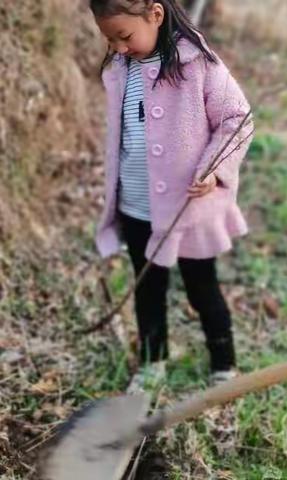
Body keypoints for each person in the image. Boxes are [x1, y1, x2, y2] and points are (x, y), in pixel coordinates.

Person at [89, 0, 253, 392]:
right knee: (148, 287)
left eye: (124, 36)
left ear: (155, 14)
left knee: (202, 286)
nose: (119, 48)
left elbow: (237, 118)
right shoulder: (121, 69)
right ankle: (152, 360)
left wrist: (213, 167)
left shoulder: (198, 64)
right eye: (110, 40)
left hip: (187, 209)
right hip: (136, 205)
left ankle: (224, 363)